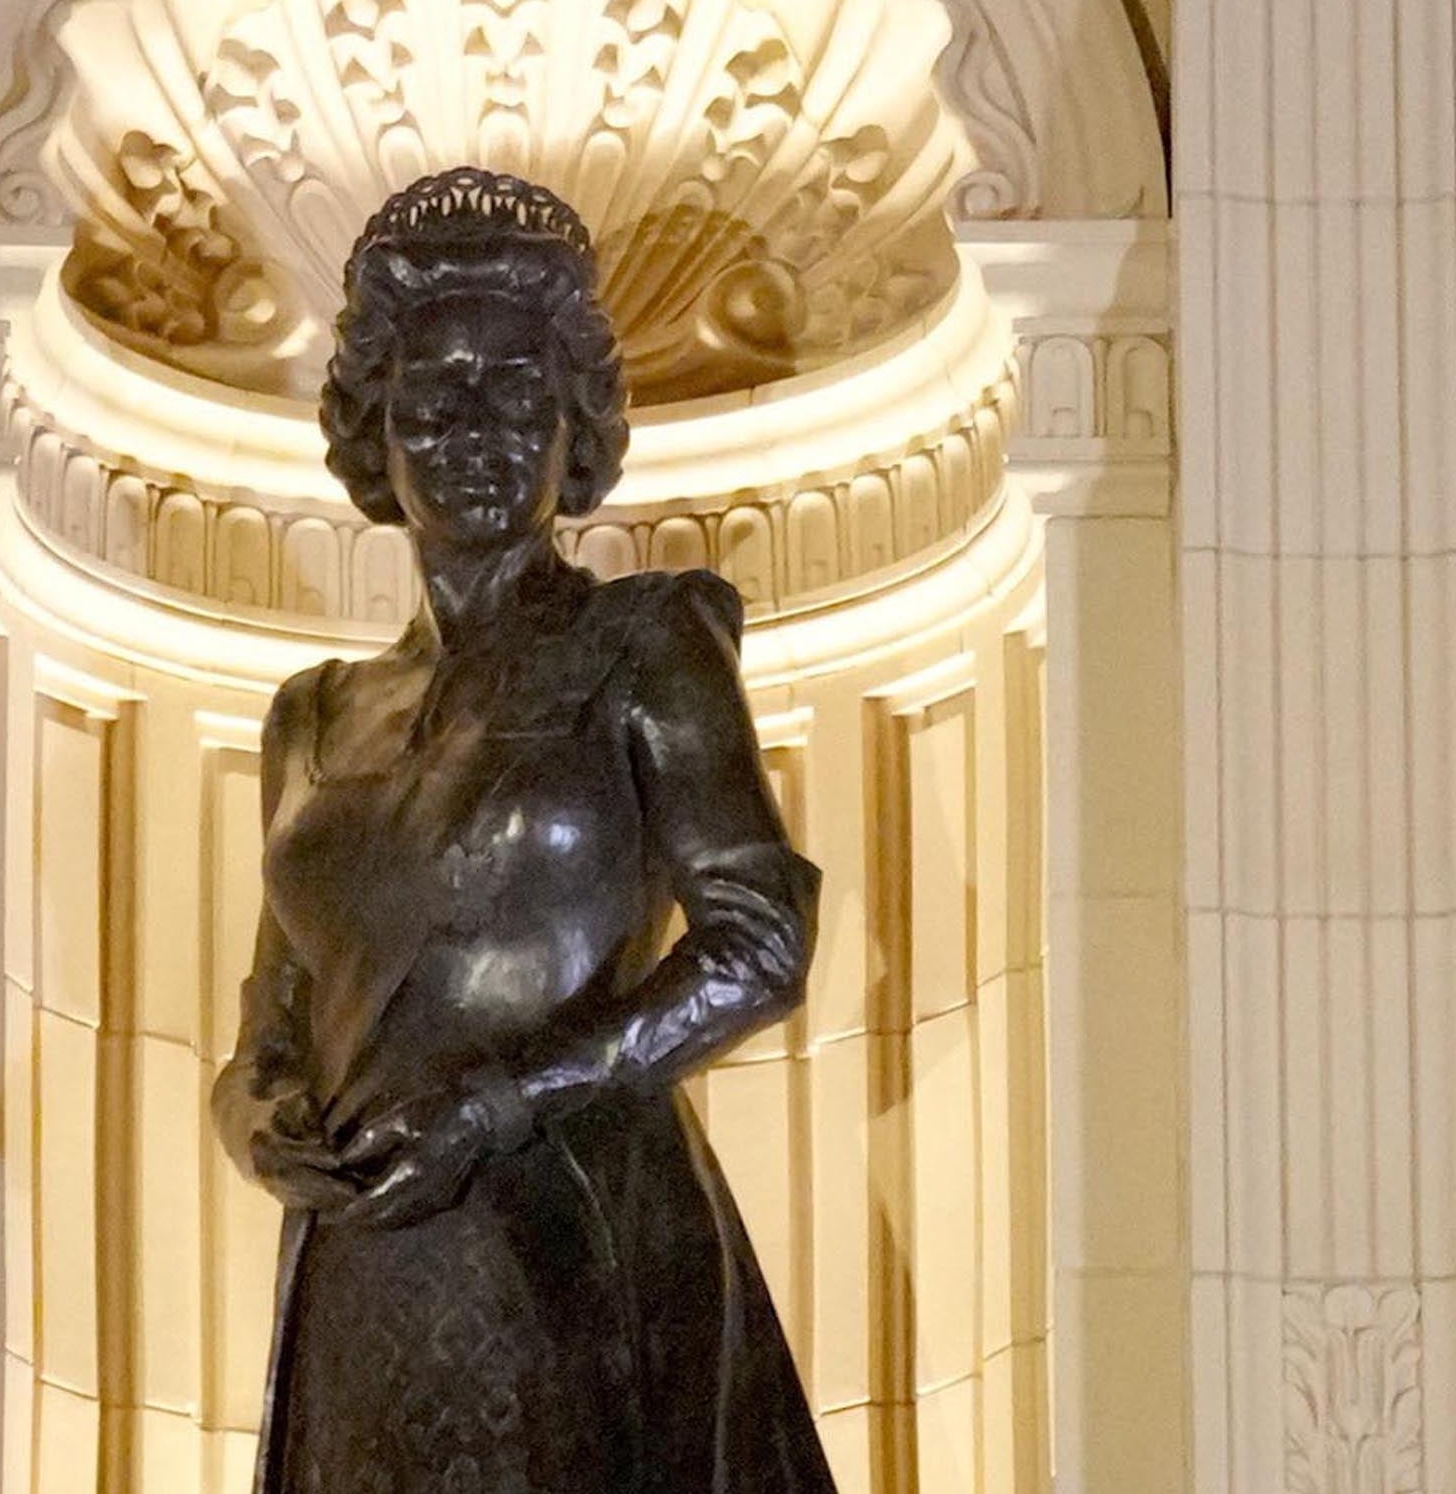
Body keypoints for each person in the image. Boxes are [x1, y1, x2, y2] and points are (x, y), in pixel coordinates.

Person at [210, 167, 837, 1494]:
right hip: (363, 1253)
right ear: (373, 432)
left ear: (575, 429)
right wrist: (254, 1112)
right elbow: (274, 1008)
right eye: (435, 393)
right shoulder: (311, 715)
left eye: (518, 390)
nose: (477, 427)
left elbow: (757, 938)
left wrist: (504, 1099)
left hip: (571, 1226)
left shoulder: (645, 641)